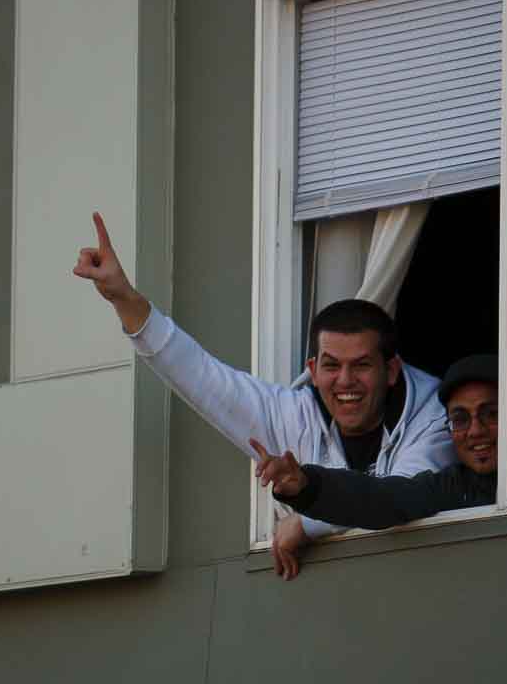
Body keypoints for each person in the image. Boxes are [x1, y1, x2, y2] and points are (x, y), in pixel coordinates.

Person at [73, 212, 454, 577]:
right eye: (332, 366)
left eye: (362, 365)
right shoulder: (294, 412)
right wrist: (123, 297)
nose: (345, 381)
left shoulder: (436, 414)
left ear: (391, 370)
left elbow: (397, 498)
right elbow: (201, 376)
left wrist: (305, 521)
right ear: (312, 371)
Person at [251, 354, 507, 529]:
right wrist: (307, 485)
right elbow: (380, 499)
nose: (475, 431)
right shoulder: (451, 487)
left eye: (490, 414)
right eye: (461, 419)